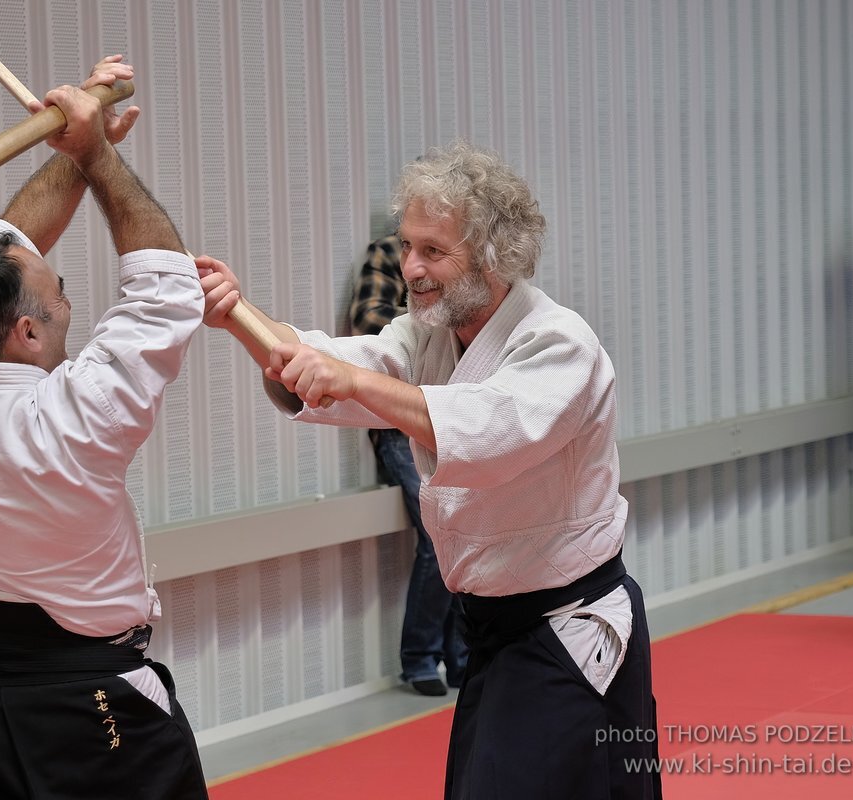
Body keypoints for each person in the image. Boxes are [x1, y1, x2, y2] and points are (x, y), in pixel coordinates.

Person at [200, 140, 662, 798]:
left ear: (493, 257)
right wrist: (239, 318)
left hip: (569, 623)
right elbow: (331, 364)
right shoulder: (429, 333)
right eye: (407, 245)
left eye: (433, 251)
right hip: (493, 626)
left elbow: (488, 428)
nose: (409, 267)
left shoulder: (558, 341)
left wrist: (350, 377)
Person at [0, 58, 209, 799]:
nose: (67, 299)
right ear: (29, 334)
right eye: (59, 294)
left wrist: (80, 138)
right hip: (83, 707)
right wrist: (97, 156)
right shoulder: (73, 418)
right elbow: (164, 283)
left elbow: (5, 245)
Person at [349, 234, 468, 696]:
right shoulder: (387, 255)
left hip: (450, 417)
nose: (417, 263)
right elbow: (369, 322)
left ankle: (460, 657)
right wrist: (431, 326)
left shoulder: (472, 271)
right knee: (437, 535)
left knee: (463, 528)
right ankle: (419, 657)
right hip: (398, 425)